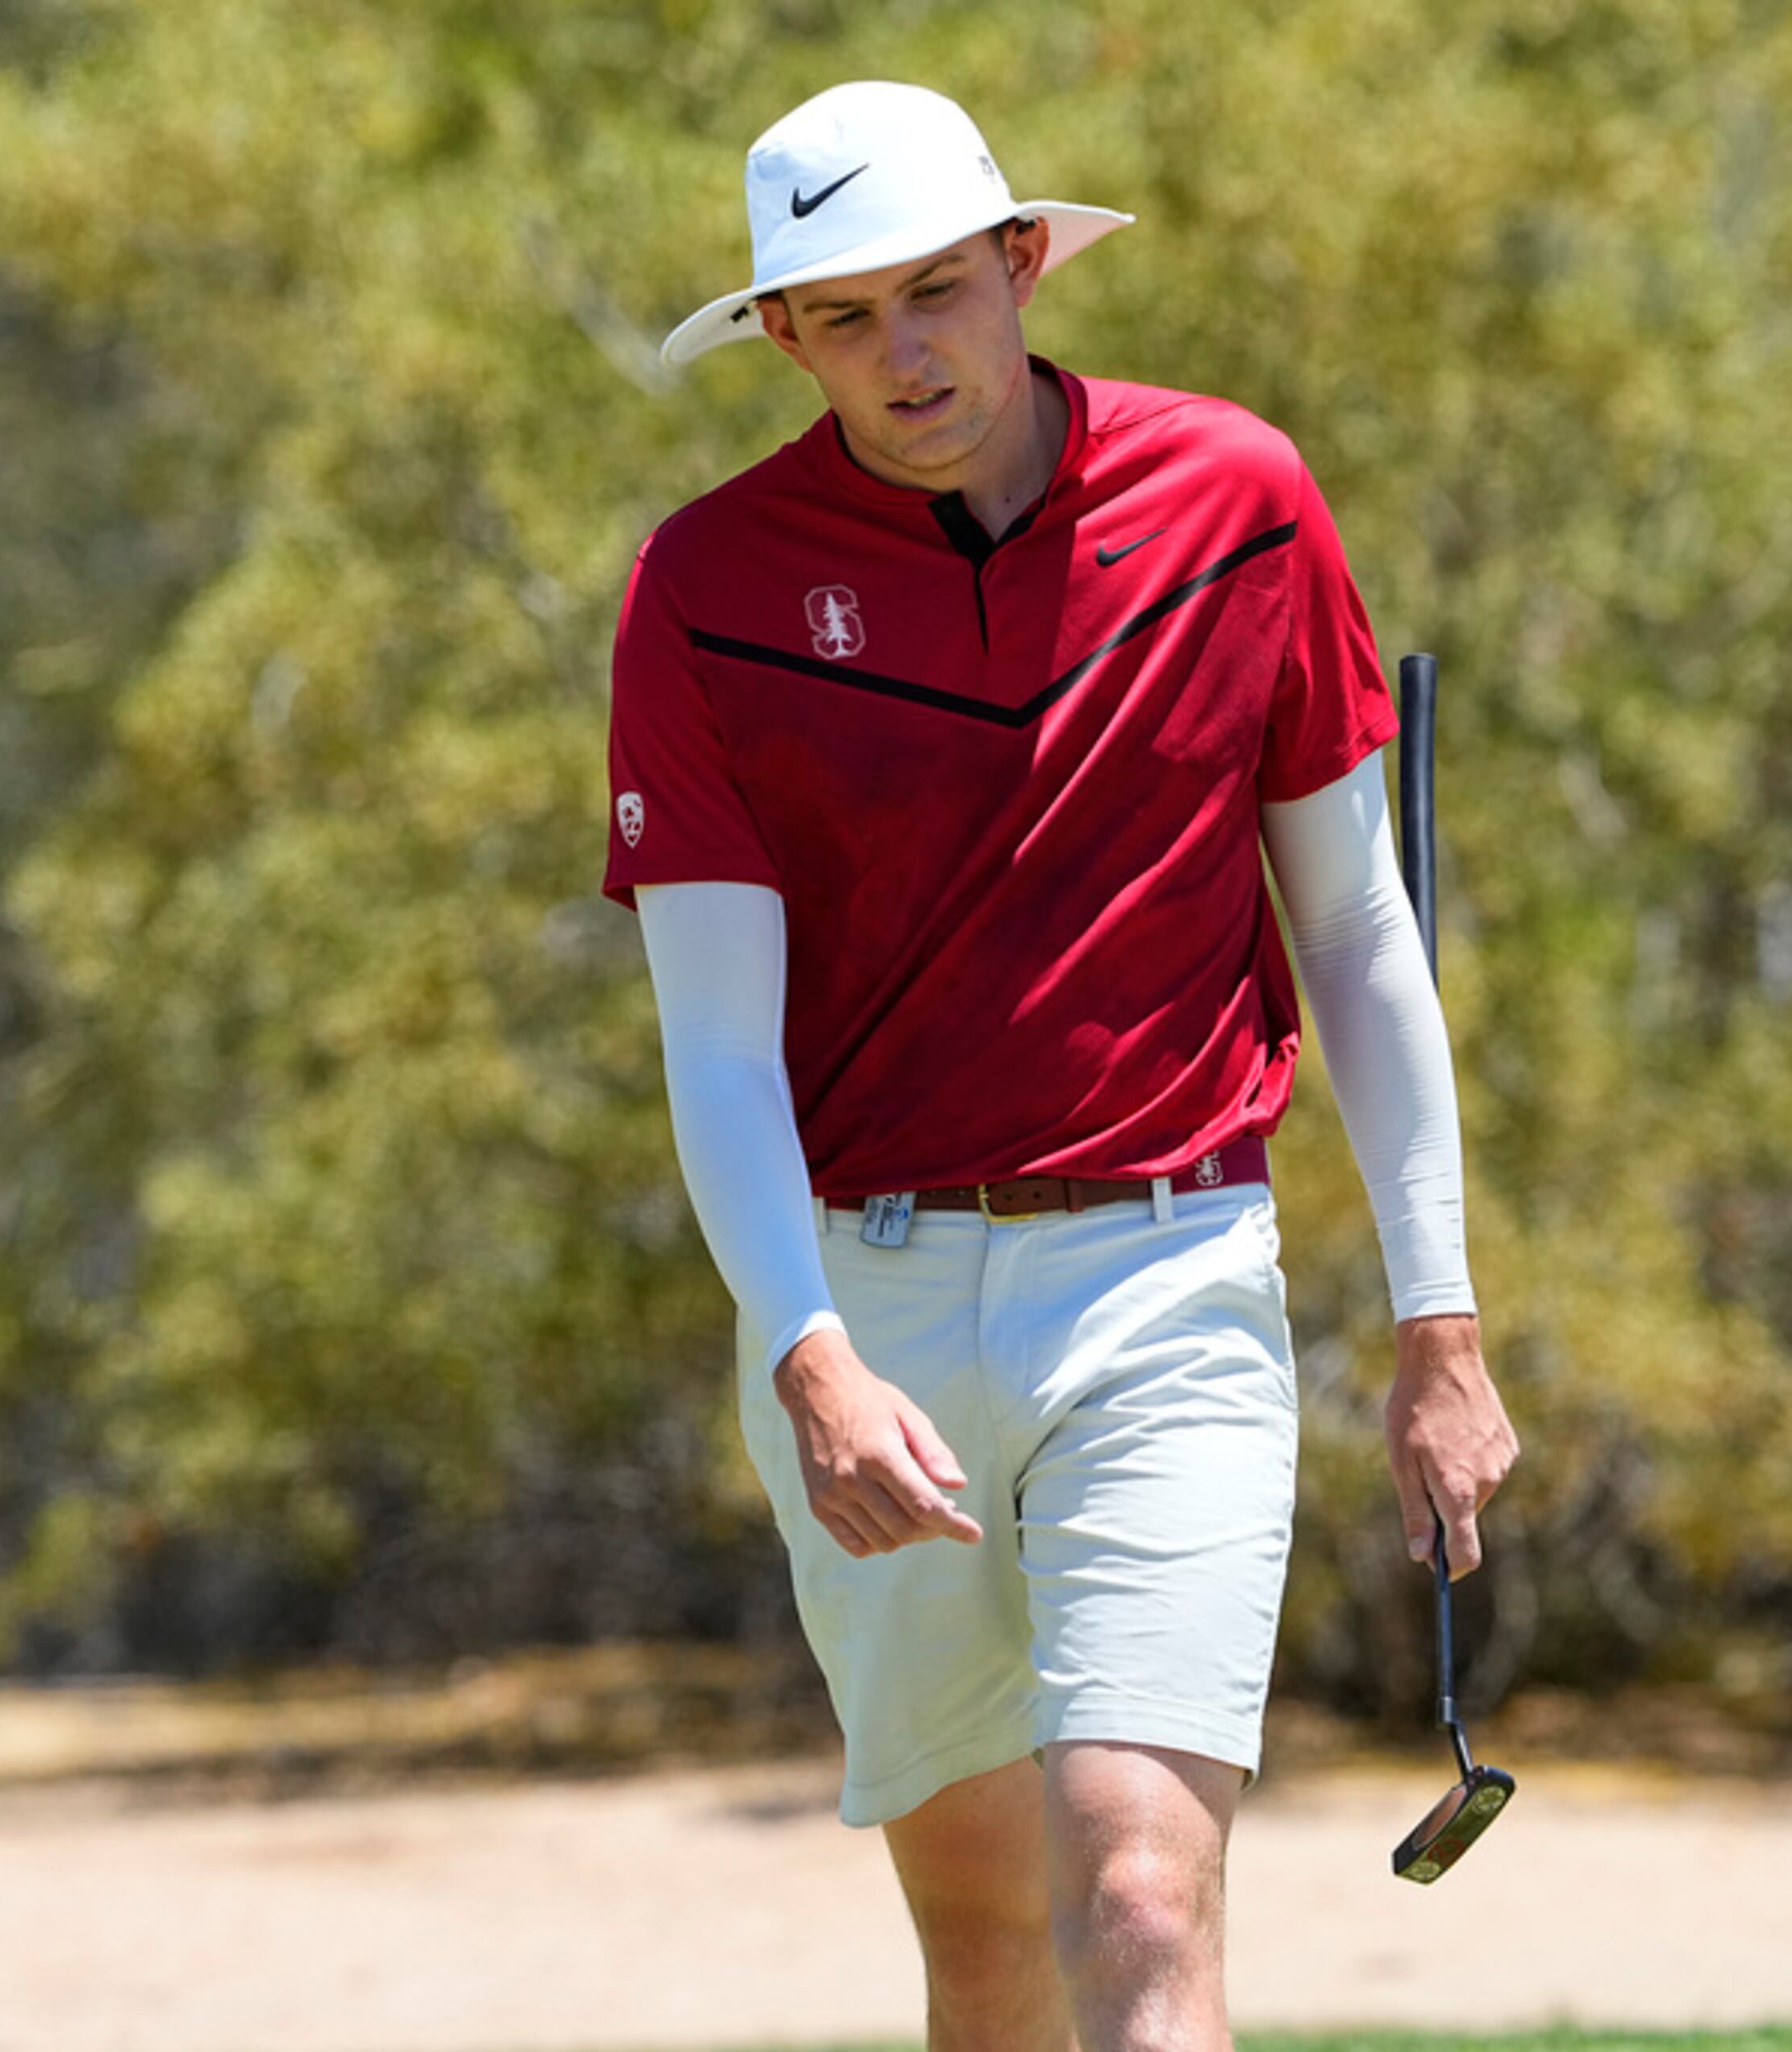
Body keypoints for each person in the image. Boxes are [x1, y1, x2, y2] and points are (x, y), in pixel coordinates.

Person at [602, 80, 1520, 2051]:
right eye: (844, 317)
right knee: (991, 1950)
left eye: (938, 289)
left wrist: (1438, 1323)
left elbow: (1359, 940)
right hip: (865, 1305)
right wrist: (806, 1352)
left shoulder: (1238, 498)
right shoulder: (705, 587)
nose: (904, 352)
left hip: (1168, 1274)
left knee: (1136, 1890)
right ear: (783, 339)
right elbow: (718, 1039)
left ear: (1024, 262)